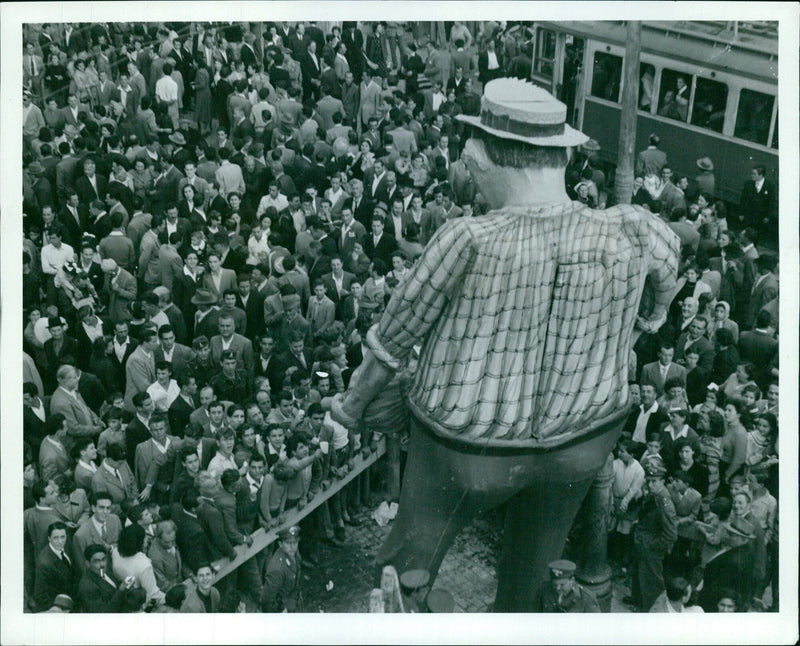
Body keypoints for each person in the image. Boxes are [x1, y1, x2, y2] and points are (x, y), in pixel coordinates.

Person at [332, 78, 680, 611]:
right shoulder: (632, 227)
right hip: (583, 438)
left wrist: (351, 407)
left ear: (493, 159)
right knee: (532, 572)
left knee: (407, 566)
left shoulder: (469, 238)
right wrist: (641, 328)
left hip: (467, 447)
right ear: (562, 157)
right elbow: (668, 265)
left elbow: (391, 342)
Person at [626, 462, 678, 612]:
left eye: (654, 481)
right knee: (638, 575)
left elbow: (671, 535)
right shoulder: (654, 494)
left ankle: (650, 610)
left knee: (652, 582)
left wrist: (652, 546)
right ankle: (638, 600)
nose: (650, 484)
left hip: (651, 548)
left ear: (663, 481)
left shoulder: (664, 501)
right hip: (642, 542)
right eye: (648, 481)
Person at [260, 525, 303, 612]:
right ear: (280, 544)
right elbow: (266, 600)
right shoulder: (277, 569)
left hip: (295, 602)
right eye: (288, 543)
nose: (292, 547)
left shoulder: (294, 554)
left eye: (295, 542)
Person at [533, 559, 600, 613]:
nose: (558, 588)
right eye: (555, 584)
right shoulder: (544, 590)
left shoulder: (585, 597)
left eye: (562, 585)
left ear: (572, 580)